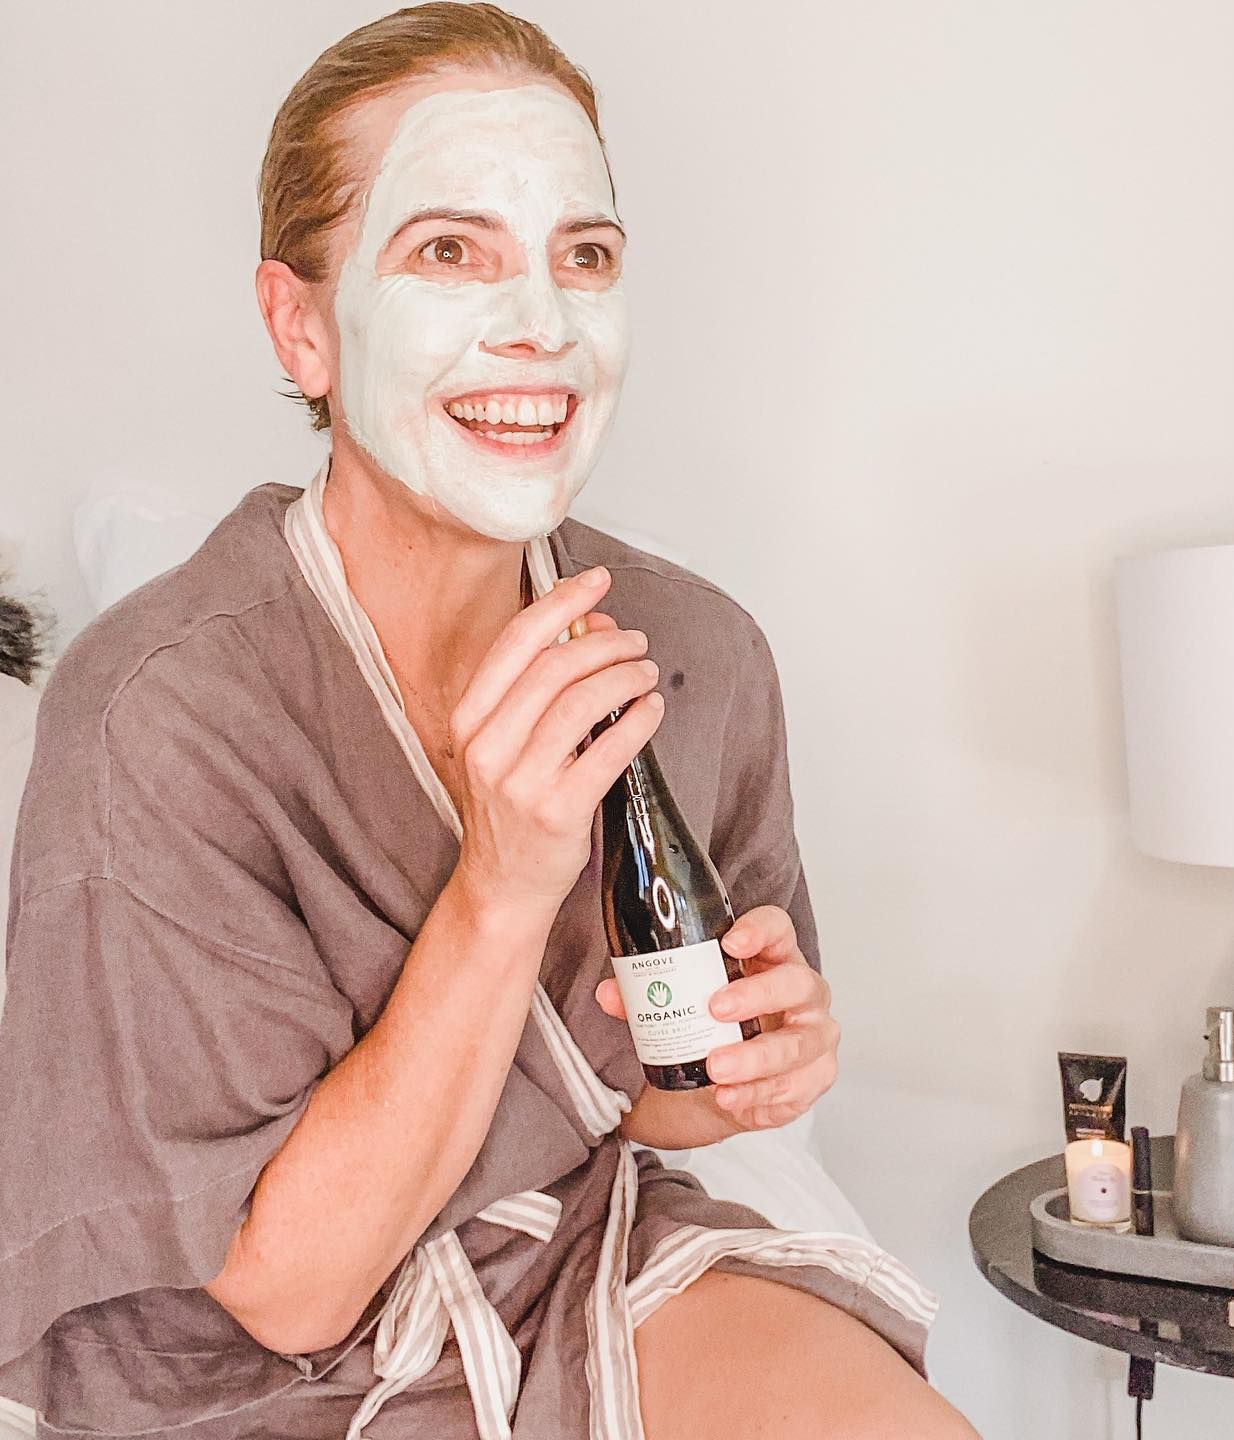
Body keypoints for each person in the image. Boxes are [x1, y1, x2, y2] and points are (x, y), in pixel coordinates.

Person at [0, 6, 981, 1437]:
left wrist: (742, 1069)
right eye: (449, 251)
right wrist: (504, 883)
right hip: (255, 1354)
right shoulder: (160, 714)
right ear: (301, 325)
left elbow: (642, 1105)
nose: (541, 323)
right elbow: (288, 1292)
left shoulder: (695, 656)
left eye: (584, 256)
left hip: (573, 1250)